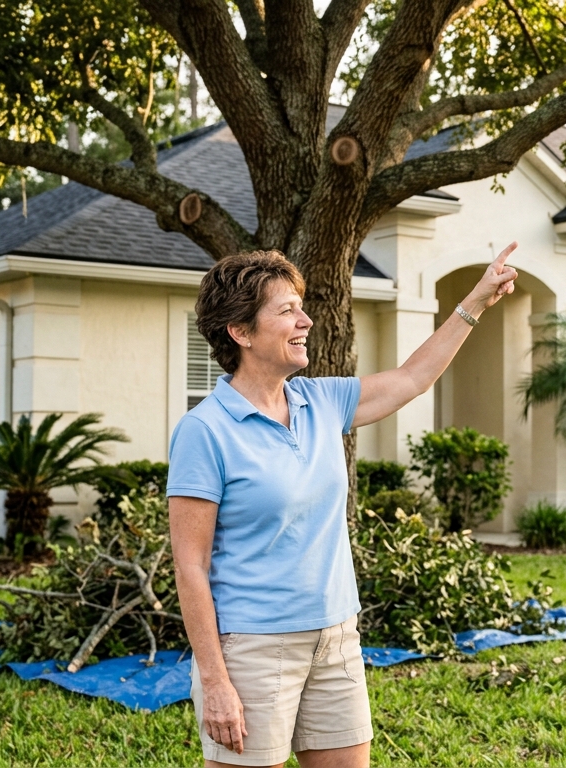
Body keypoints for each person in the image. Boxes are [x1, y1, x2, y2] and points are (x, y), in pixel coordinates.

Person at [167, 245, 519, 768]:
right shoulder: (205, 431)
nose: (305, 320)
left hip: (335, 638)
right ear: (240, 332)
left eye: (300, 307)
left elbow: (411, 378)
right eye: (286, 310)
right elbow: (190, 566)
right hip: (253, 650)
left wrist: (476, 302)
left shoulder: (320, 401)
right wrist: (214, 679)